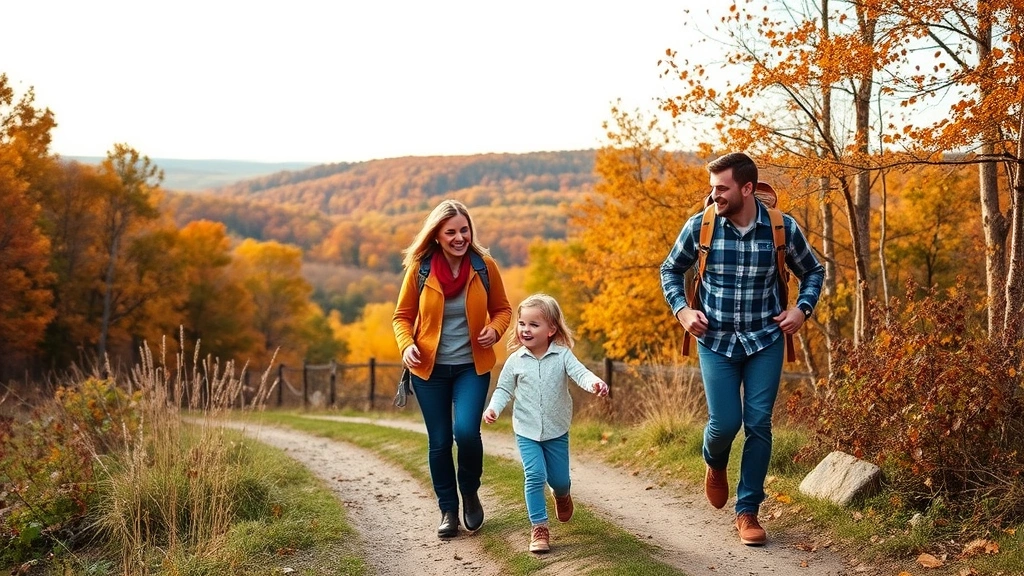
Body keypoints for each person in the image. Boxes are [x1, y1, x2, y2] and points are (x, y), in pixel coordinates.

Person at [659, 152, 824, 546]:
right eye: (712, 188)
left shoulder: (782, 229)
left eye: (722, 188)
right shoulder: (701, 228)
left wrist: (802, 310)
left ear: (747, 188)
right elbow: (669, 269)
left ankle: (748, 510)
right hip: (715, 342)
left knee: (758, 424)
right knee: (724, 423)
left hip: (764, 339)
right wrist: (682, 311)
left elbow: (813, 270)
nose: (714, 195)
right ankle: (714, 462)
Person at [392, 199, 513, 538]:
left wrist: (496, 329)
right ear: (437, 235)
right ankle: (448, 510)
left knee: (466, 433)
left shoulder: (484, 266)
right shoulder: (421, 269)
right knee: (440, 441)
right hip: (429, 371)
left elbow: (503, 309)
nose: (460, 237)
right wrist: (407, 345)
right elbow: (401, 317)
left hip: (470, 368)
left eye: (464, 230)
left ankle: (470, 493)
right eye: (451, 232)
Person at [482, 293, 609, 553]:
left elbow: (580, 373)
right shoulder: (515, 361)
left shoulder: (562, 356)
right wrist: (493, 409)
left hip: (556, 430)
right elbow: (503, 390)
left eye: (533, 324)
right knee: (535, 475)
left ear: (551, 329)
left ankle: (561, 494)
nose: (525, 330)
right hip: (526, 431)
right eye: (522, 324)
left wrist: (595, 383)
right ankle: (539, 527)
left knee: (559, 480)